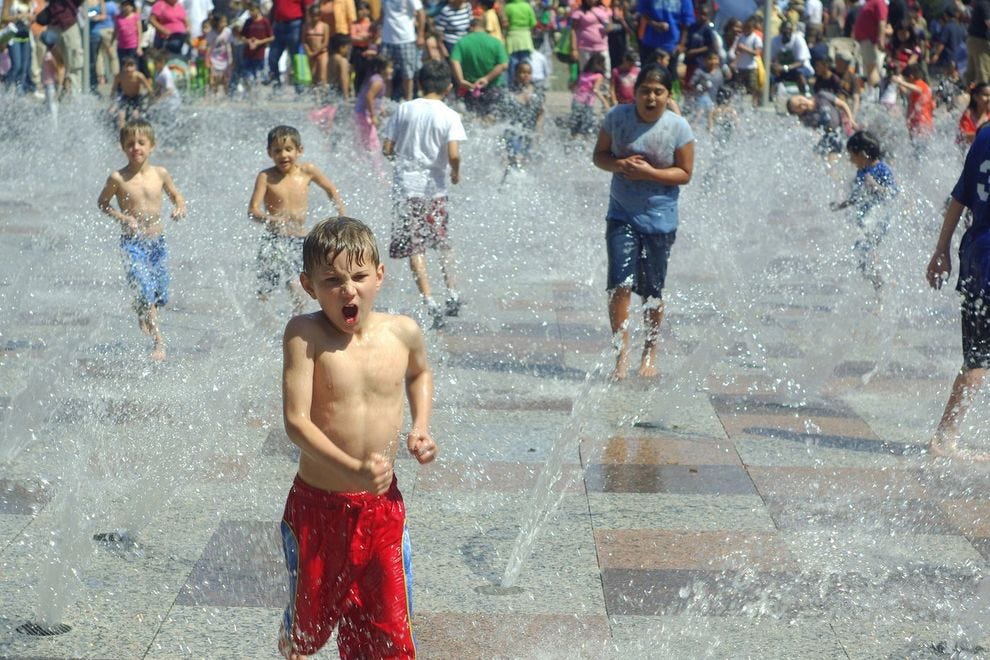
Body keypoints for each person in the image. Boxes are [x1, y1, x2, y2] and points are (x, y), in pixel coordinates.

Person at [278, 216, 437, 659]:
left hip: (382, 511)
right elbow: (297, 422)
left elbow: (420, 372)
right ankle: (293, 630)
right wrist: (352, 469)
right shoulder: (304, 335)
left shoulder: (401, 331)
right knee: (307, 631)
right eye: (332, 281)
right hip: (318, 509)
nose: (348, 290)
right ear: (309, 285)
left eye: (359, 277)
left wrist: (421, 426)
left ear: (380, 275)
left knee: (390, 630)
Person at [592, 63, 694, 380]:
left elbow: (685, 173)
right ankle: (620, 355)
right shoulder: (617, 118)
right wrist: (620, 164)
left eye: (658, 92)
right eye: (645, 91)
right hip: (621, 213)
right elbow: (599, 156)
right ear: (635, 93)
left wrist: (650, 173)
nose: (651, 98)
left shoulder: (678, 128)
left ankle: (649, 351)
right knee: (619, 284)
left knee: (652, 290)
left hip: (660, 218)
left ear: (668, 95)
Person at [381, 59, 466, 329]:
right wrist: (455, 172)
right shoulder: (449, 115)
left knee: (414, 247)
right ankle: (452, 292)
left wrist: (401, 158)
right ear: (449, 87)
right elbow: (453, 154)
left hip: (406, 189)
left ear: (419, 83)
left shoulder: (404, 109)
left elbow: (387, 147)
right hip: (435, 190)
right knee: (442, 243)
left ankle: (429, 301)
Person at [925, 124, 990, 461]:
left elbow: (960, 196)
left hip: (976, 257)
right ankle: (943, 440)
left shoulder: (984, 135)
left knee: (978, 355)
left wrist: (941, 249)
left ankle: (945, 436)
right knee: (980, 357)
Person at [97, 119, 187, 361]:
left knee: (160, 294)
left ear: (152, 146)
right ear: (122, 147)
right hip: (132, 244)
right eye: (130, 143)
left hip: (157, 242)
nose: (135, 147)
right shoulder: (118, 178)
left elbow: (177, 195)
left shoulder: (160, 174)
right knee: (146, 290)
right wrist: (121, 217)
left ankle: (142, 307)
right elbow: (102, 203)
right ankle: (159, 343)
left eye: (141, 143)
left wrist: (179, 207)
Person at [249, 125, 347, 313]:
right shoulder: (266, 177)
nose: (283, 155)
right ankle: (261, 322)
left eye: (288, 149)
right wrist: (270, 219)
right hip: (273, 241)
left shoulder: (307, 170)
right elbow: (253, 210)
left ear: (299, 150)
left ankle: (298, 320)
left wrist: (341, 217)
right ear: (269, 153)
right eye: (277, 151)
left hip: (300, 240)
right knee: (265, 289)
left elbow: (331, 190)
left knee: (298, 284)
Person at [830, 130, 897, 291]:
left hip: (879, 220)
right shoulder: (861, 172)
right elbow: (855, 196)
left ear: (863, 154)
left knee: (870, 254)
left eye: (852, 155)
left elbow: (893, 194)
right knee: (861, 259)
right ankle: (879, 286)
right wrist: (841, 205)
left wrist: (876, 186)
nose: (850, 160)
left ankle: (883, 289)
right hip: (865, 221)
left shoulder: (882, 170)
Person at [449, 16, 508, 119]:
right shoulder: (496, 43)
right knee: (492, 116)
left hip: (470, 87)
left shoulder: (462, 42)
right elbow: (503, 65)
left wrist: (461, 80)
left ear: (471, 27)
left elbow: (454, 61)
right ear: (484, 28)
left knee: (473, 118)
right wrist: (486, 78)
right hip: (492, 86)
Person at [499, 59, 544, 170]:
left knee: (526, 159)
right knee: (515, 157)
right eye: (522, 72)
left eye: (529, 73)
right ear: (516, 74)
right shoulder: (509, 92)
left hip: (529, 132)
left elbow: (541, 113)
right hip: (513, 131)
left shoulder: (536, 93)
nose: (525, 75)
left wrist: (539, 131)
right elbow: (503, 114)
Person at [786, 90, 855, 158]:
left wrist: (851, 119)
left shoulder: (821, 96)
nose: (802, 103)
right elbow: (819, 131)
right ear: (798, 113)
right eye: (799, 106)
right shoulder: (808, 118)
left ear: (801, 95)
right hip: (831, 135)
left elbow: (842, 104)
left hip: (844, 128)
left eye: (800, 99)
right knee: (822, 151)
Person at [380, 0, 424, 100]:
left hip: (406, 38)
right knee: (384, 72)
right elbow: (383, 11)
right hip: (387, 39)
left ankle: (408, 99)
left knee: (407, 74)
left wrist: (420, 35)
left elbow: (421, 12)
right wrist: (377, 24)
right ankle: (386, 99)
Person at [353, 54, 390, 153]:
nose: (392, 70)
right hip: (365, 115)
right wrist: (373, 115)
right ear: (382, 70)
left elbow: (373, 97)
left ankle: (361, 160)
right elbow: (369, 96)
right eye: (390, 67)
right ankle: (376, 166)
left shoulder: (375, 78)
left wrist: (380, 108)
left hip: (361, 113)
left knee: (364, 141)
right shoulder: (378, 82)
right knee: (373, 144)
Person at [852, 0, 887, 94]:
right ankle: (871, 93)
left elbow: (882, 21)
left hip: (870, 41)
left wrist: (881, 39)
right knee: (868, 70)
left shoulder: (879, 3)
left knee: (872, 69)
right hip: (864, 41)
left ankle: (875, 94)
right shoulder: (869, 3)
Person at [770, 20, 812, 96]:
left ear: (792, 31)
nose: (787, 33)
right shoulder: (775, 41)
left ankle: (804, 95)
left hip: (801, 68)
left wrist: (784, 67)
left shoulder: (798, 39)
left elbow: (801, 62)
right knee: (770, 75)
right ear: (781, 31)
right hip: (782, 70)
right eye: (784, 31)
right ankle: (771, 98)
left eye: (789, 30)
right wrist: (774, 66)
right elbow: (772, 59)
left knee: (799, 73)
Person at [239, 2, 273, 92]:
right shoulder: (248, 21)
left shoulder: (265, 22)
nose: (251, 13)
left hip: (259, 54)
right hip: (248, 53)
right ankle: (249, 94)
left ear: (258, 10)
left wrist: (259, 42)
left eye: (252, 10)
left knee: (258, 76)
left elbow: (271, 37)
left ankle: (257, 94)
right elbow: (242, 36)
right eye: (249, 11)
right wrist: (248, 41)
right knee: (247, 76)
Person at [109, 55, 151, 127]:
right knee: (120, 116)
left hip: (136, 97)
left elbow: (149, 90)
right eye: (126, 66)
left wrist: (148, 101)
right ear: (123, 67)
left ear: (135, 67)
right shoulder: (120, 76)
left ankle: (134, 132)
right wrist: (112, 103)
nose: (129, 69)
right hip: (125, 97)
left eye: (131, 66)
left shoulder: (139, 76)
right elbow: (113, 90)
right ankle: (121, 134)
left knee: (135, 116)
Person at [503, 0, 535, 80]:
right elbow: (533, 23)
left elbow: (505, 24)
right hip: (525, 39)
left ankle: (512, 85)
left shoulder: (507, 7)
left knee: (513, 64)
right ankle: (526, 83)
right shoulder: (527, 6)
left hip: (512, 38)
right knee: (526, 64)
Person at [302, 4, 329, 88]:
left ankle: (323, 94)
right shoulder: (306, 26)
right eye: (313, 16)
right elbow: (304, 41)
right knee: (313, 75)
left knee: (322, 76)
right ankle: (313, 95)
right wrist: (308, 51)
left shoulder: (325, 26)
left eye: (317, 16)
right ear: (310, 15)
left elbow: (325, 42)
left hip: (322, 52)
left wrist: (315, 52)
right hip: (311, 52)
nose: (315, 18)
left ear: (320, 16)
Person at [959, 81, 990, 145]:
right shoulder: (968, 115)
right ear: (975, 97)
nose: (989, 99)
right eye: (986, 95)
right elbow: (962, 136)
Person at [327, 32, 351, 98]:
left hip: (331, 90)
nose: (348, 50)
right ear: (341, 47)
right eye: (347, 48)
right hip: (340, 91)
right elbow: (343, 78)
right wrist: (346, 96)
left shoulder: (330, 59)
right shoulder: (342, 61)